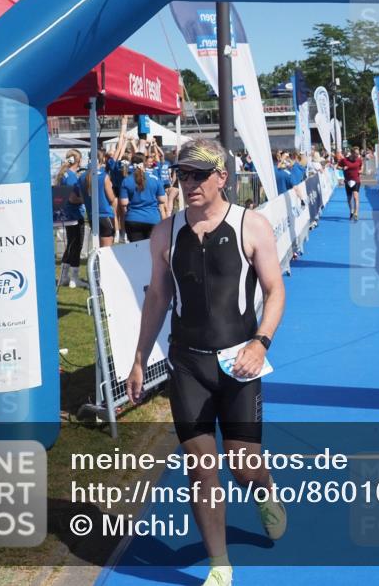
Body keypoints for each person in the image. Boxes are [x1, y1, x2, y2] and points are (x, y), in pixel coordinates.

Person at [126, 138, 287, 586]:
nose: (190, 182)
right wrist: (140, 359)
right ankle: (220, 565)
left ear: (223, 177)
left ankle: (265, 488)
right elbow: (157, 297)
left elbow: (275, 291)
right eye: (183, 174)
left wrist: (261, 342)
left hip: (240, 362)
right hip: (188, 364)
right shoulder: (165, 231)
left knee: (242, 463)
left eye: (199, 174)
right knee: (200, 465)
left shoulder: (250, 225)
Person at [55, 149, 86, 287]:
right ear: (78, 161)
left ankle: (64, 277)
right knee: (76, 246)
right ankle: (74, 278)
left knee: (71, 245)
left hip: (66, 214)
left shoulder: (63, 175)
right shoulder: (72, 177)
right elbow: (73, 198)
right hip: (74, 214)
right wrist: (86, 199)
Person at [119, 153, 166, 241]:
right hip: (152, 218)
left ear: (131, 164)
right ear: (144, 163)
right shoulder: (155, 179)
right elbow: (162, 199)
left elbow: (124, 203)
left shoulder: (126, 180)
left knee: (136, 252)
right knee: (151, 252)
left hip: (133, 219)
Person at [77, 148, 117, 248]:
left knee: (98, 248)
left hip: (91, 215)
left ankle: (97, 263)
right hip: (105, 215)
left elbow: (82, 198)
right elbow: (111, 198)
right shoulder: (104, 176)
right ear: (102, 159)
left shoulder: (82, 177)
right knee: (106, 250)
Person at [338, 147, 363, 221]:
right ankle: (351, 211)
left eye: (358, 154)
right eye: (356, 154)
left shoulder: (359, 160)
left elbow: (362, 166)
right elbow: (337, 166)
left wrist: (361, 170)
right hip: (348, 181)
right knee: (349, 199)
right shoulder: (344, 160)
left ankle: (356, 213)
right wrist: (342, 168)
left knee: (356, 197)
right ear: (352, 153)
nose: (357, 155)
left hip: (356, 181)